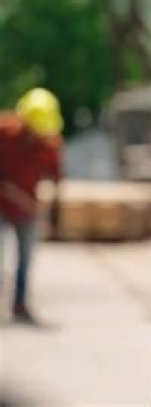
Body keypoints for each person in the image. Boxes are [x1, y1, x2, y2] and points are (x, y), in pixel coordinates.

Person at [0, 87, 63, 324]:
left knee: (25, 257)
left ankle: (20, 305)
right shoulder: (4, 133)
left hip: (26, 209)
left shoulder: (50, 144)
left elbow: (56, 181)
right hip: (1, 204)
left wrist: (53, 215)